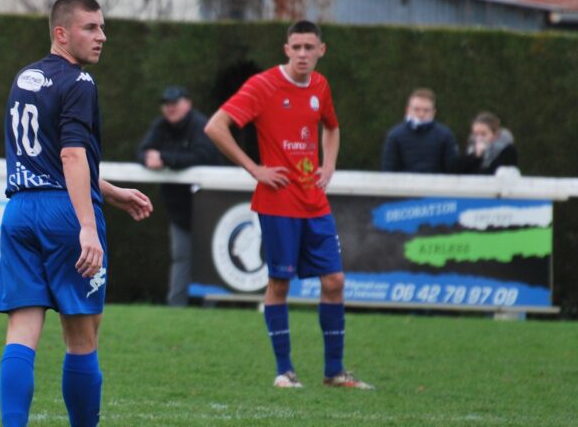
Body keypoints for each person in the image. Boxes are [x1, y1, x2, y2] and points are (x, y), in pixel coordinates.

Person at [0, 0, 154, 427]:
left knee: (22, 330)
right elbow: (68, 158)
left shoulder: (26, 77)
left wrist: (110, 192)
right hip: (63, 215)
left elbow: (47, 161)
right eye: (90, 27)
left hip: (20, 211)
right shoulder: (79, 81)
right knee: (81, 336)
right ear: (61, 33)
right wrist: (88, 223)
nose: (101, 36)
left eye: (102, 27)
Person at [204, 20, 373, 391]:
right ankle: (285, 371)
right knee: (279, 283)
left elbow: (331, 126)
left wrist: (329, 165)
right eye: (295, 47)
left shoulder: (320, 86)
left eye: (309, 47)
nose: (302, 54)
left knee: (335, 281)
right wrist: (254, 169)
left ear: (321, 51)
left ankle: (334, 373)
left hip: (314, 201)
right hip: (277, 203)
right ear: (286, 50)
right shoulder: (262, 86)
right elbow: (216, 126)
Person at [136, 86, 223, 306]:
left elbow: (204, 156)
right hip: (179, 210)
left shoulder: (201, 125)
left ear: (188, 104)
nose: (170, 108)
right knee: (181, 258)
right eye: (167, 104)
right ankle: (176, 308)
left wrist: (164, 158)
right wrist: (148, 158)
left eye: (175, 103)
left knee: (210, 260)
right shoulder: (161, 126)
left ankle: (210, 311)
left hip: (210, 207)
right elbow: (142, 151)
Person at [381, 88, 458, 173]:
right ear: (407, 110)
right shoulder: (394, 136)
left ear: (433, 112)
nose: (421, 114)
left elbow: (452, 171)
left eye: (426, 110)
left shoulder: (445, 135)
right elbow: (388, 171)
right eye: (416, 109)